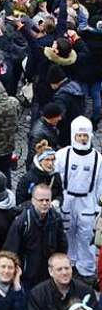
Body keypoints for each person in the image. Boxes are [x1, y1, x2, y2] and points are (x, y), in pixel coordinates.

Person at [56, 116, 102, 282]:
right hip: (67, 200)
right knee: (67, 233)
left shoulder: (98, 158)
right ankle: (69, 263)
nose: (82, 139)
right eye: (79, 135)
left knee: (86, 236)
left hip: (87, 202)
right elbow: (55, 178)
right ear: (73, 135)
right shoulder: (62, 155)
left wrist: (99, 207)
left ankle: (87, 268)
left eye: (85, 136)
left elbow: (100, 184)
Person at [4, 183, 68, 291]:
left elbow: (62, 244)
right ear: (33, 201)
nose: (44, 203)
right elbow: (11, 250)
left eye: (47, 200)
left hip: (49, 273)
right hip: (28, 276)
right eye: (41, 200)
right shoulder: (22, 222)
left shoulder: (55, 219)